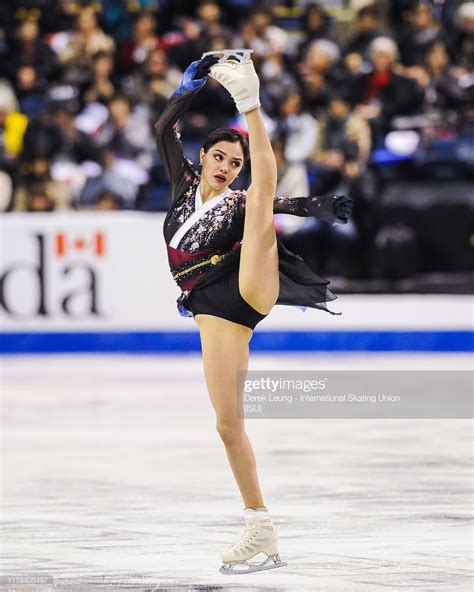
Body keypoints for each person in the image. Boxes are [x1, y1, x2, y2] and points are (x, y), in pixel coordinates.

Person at [154, 51, 352, 575]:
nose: (226, 169)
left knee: (259, 202)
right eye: (220, 158)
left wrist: (315, 206)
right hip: (214, 313)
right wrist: (185, 92)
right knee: (226, 425)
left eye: (235, 163)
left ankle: (251, 102)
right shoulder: (182, 186)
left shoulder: (238, 197)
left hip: (247, 288)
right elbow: (162, 131)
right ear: (204, 156)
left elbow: (272, 199)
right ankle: (259, 525)